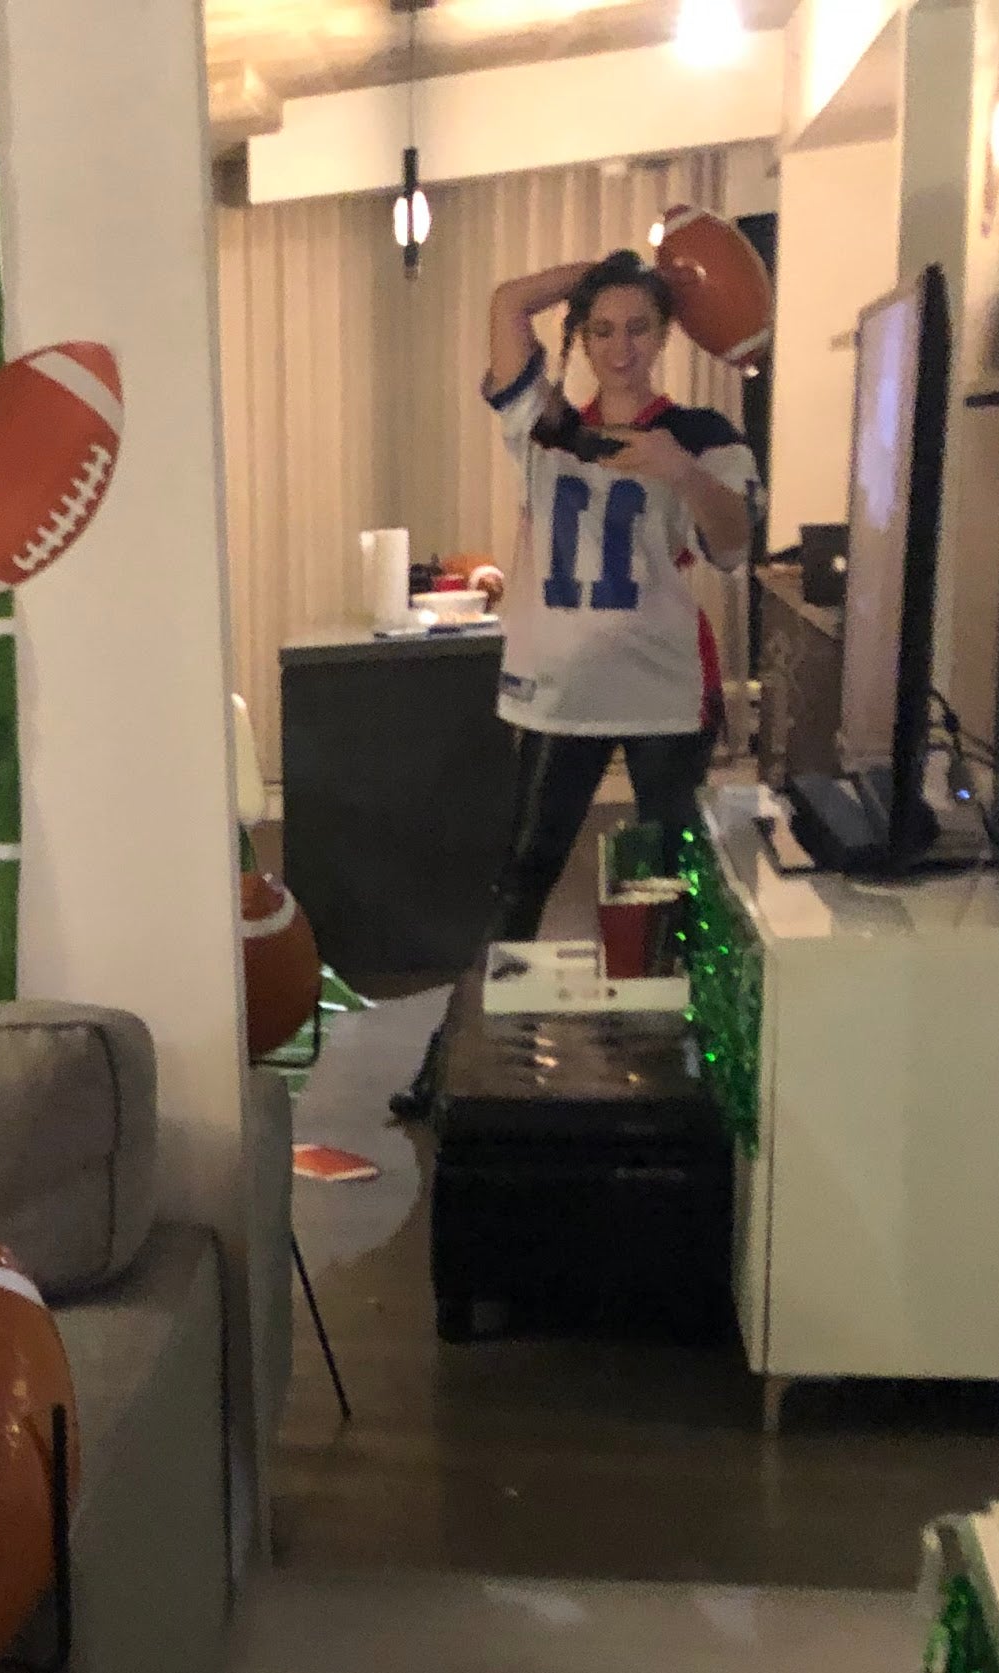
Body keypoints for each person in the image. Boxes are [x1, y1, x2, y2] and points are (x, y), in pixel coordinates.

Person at [393, 248, 762, 1121]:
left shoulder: (702, 435)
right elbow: (506, 297)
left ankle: (684, 1072)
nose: (621, 345)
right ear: (582, 339)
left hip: (665, 685)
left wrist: (680, 471)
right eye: (602, 328)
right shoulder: (550, 425)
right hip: (561, 686)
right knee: (522, 876)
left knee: (671, 885)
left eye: (640, 326)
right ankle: (456, 1062)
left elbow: (736, 544)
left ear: (666, 334)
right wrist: (602, 270)